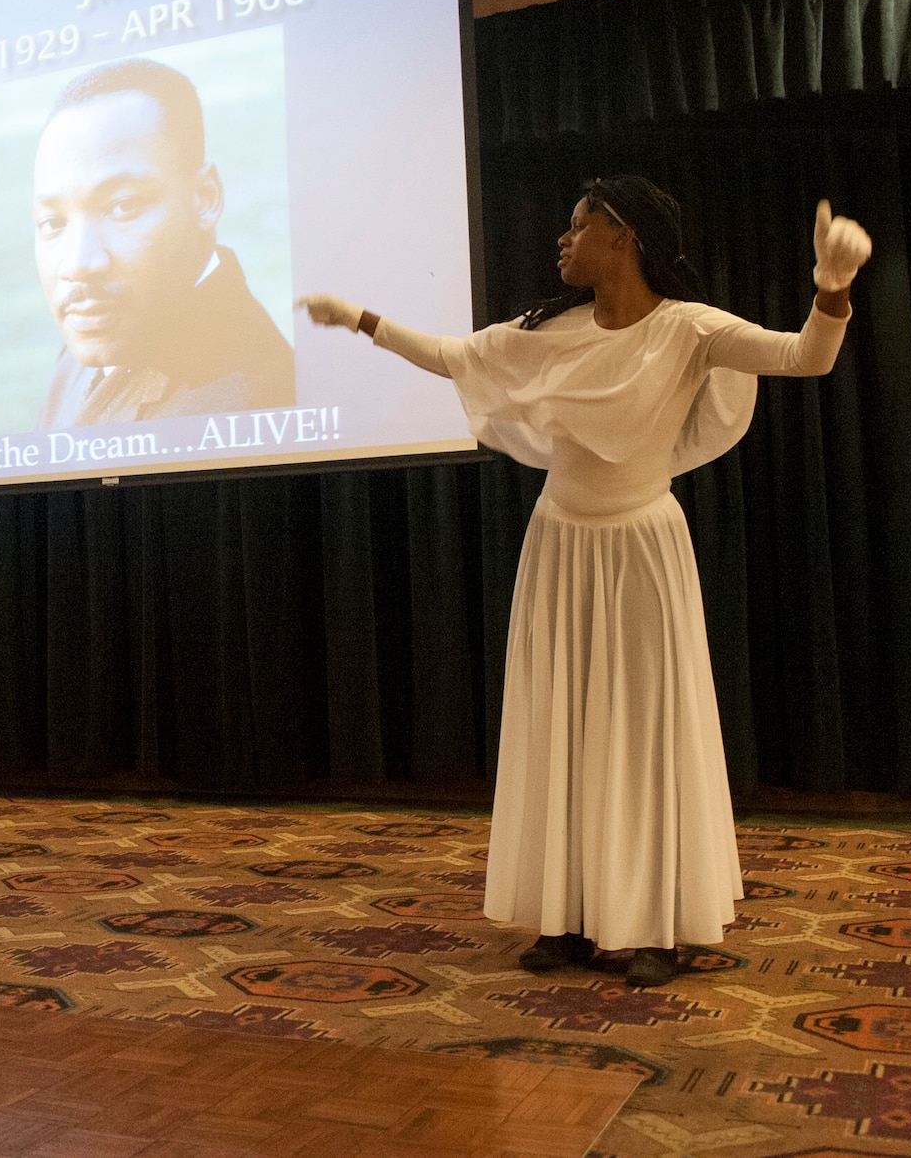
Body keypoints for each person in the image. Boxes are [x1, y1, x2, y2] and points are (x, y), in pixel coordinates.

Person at [299, 176, 870, 987]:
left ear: (625, 238)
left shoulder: (689, 330)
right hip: (559, 548)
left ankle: (652, 926)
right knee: (563, 724)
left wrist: (832, 287)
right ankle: (567, 918)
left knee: (642, 732)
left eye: (578, 226)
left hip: (642, 548)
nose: (562, 241)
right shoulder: (549, 332)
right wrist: (359, 319)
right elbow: (452, 357)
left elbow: (803, 357)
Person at [32, 57, 294, 429]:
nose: (77, 264)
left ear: (205, 197)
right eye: (53, 222)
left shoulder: (251, 407)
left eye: (122, 206)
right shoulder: (99, 338)